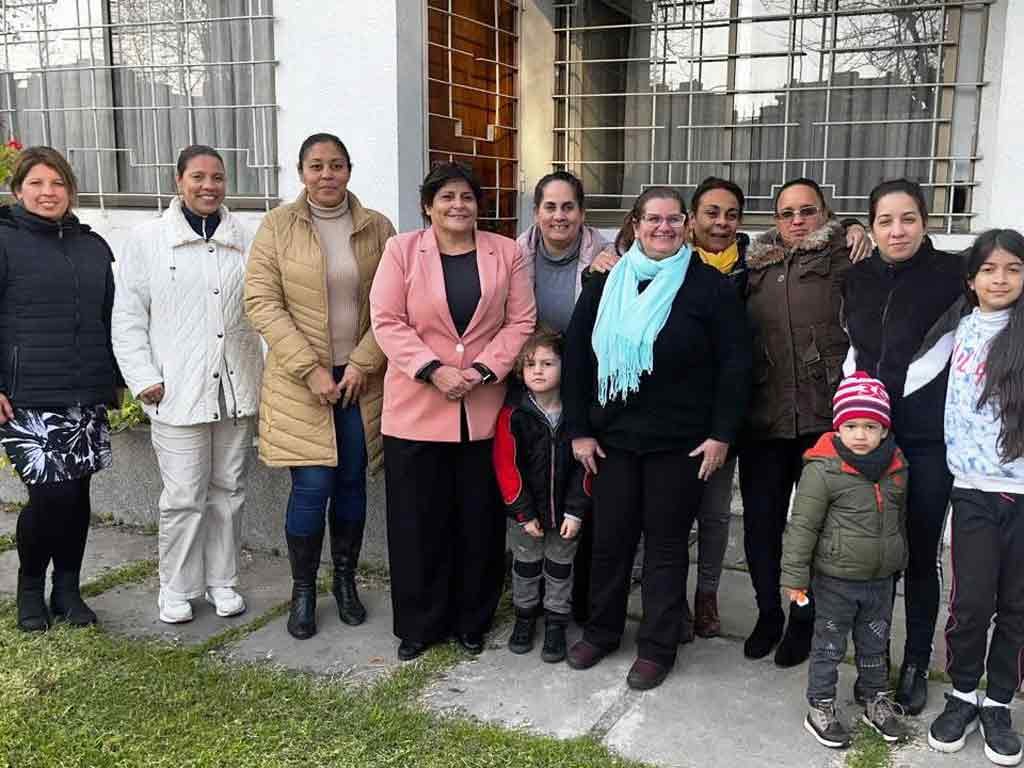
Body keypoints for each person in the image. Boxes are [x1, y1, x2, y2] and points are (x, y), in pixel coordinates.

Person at [561, 186, 751, 690]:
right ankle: (601, 632)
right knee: (610, 542)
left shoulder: (708, 288)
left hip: (680, 445)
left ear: (686, 224)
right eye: (653, 220)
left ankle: (657, 646)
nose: (663, 228)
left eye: (672, 220)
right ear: (636, 224)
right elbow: (578, 359)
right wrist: (578, 430)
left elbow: (736, 366)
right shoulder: (605, 284)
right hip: (612, 442)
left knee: (666, 548)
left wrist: (720, 435)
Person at [369, 162, 535, 661]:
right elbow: (386, 319)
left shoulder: (506, 253)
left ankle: (472, 619)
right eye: (446, 197)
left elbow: (521, 319)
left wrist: (483, 370)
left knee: (477, 523)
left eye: (466, 197)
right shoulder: (401, 250)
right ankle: (418, 624)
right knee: (417, 523)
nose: (457, 206)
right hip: (416, 408)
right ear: (428, 205)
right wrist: (431, 369)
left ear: (478, 205)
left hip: (481, 409)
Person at [245, 133, 396, 639]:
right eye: (316, 166)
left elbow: (393, 305)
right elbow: (262, 301)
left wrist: (362, 362)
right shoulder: (277, 226)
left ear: (349, 170)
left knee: (352, 481)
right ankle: (304, 590)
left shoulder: (377, 227)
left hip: (360, 379)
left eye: (336, 165)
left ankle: (346, 583)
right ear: (301, 171)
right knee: (312, 486)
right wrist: (309, 369)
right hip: (300, 381)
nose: (326, 175)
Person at [112, 145, 262, 624]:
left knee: (229, 491)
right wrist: (143, 378)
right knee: (183, 497)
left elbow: (262, 310)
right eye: (198, 176)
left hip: (236, 387)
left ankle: (222, 581)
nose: (209, 186)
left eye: (217, 177)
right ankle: (176, 587)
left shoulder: (247, 238)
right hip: (175, 389)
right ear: (179, 181)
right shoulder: (149, 239)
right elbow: (129, 316)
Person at [840, 178, 966, 713]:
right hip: (871, 440)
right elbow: (852, 349)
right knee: (870, 557)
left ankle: (915, 661)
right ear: (870, 227)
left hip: (927, 440)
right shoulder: (855, 279)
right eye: (885, 220)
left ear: (925, 221)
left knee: (918, 556)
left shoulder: (956, 274)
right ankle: (873, 661)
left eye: (908, 218)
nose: (897, 230)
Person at [0, 146, 121, 631]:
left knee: (77, 496)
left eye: (57, 184)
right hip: (26, 394)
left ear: (70, 191)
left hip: (84, 391)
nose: (48, 192)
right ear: (18, 190)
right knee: (50, 496)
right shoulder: (4, 241)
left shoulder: (93, 246)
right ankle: (30, 586)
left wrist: (115, 380)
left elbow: (111, 318)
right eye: (37, 183)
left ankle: (67, 589)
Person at [740, 177, 854, 667]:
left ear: (825, 214)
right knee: (761, 525)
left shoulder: (844, 259)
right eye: (787, 213)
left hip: (822, 418)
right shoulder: (754, 264)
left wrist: (859, 229)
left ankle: (803, 618)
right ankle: (769, 612)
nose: (797, 220)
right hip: (764, 417)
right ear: (775, 219)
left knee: (812, 527)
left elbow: (903, 258)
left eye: (808, 211)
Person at [928, 229, 1024, 767]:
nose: (1001, 279)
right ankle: (964, 692)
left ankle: (999, 701)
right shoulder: (960, 330)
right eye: (989, 270)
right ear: (971, 280)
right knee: (970, 605)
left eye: (1013, 268)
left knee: (1016, 607)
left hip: (1023, 494)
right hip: (972, 492)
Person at [782, 371, 909, 750]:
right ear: (838, 427)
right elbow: (802, 526)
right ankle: (820, 706)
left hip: (879, 581)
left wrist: (898, 556)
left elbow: (899, 518)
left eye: (870, 426)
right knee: (829, 647)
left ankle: (875, 700)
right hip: (836, 580)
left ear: (884, 430)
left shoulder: (897, 468)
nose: (860, 434)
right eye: (851, 425)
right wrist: (795, 577)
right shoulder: (823, 470)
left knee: (874, 645)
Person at [493, 328, 591, 662]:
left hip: (566, 514)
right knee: (526, 565)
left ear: (566, 367)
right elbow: (506, 466)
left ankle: (555, 623)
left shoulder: (578, 413)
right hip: (526, 514)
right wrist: (523, 513)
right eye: (530, 363)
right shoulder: (514, 412)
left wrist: (576, 511)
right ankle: (524, 618)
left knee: (561, 566)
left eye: (548, 363)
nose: (538, 370)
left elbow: (586, 466)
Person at [517, 171, 610, 333]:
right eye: (550, 207)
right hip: (531, 355)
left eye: (568, 207)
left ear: (582, 214)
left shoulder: (607, 257)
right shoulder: (514, 256)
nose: (559, 216)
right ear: (536, 214)